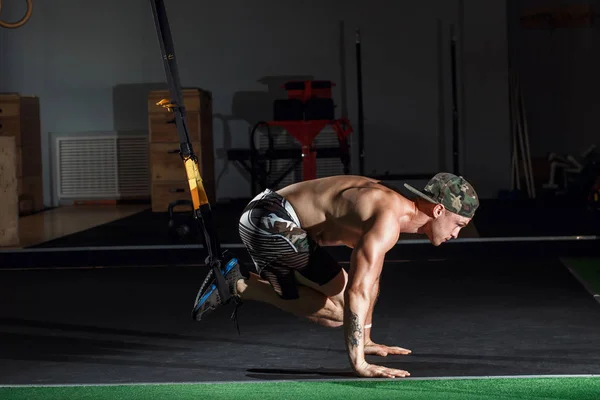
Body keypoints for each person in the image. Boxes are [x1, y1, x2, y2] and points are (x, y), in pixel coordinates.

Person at [194, 172, 479, 378]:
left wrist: (365, 338)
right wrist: (359, 363)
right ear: (439, 210)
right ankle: (241, 285)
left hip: (273, 219)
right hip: (270, 220)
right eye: (459, 224)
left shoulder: (396, 211)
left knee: (340, 315)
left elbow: (371, 278)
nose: (456, 233)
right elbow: (358, 291)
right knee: (344, 310)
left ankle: (238, 283)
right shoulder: (388, 217)